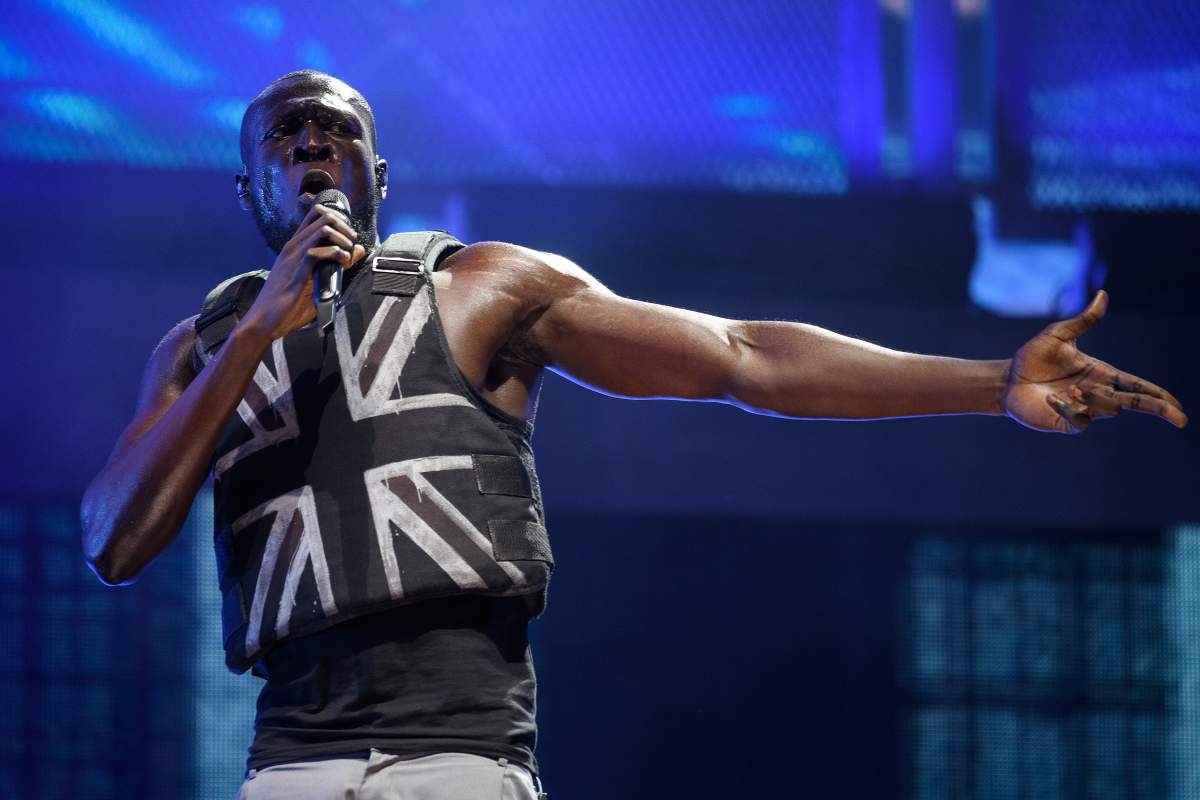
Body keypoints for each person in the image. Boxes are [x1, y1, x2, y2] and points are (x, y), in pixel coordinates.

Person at [79, 70, 1187, 800]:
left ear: (381, 174)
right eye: (288, 134)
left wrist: (990, 378)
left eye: (341, 133)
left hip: (460, 751)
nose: (315, 146)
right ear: (250, 183)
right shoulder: (202, 344)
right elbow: (113, 541)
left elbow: (743, 355)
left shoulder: (481, 287)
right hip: (290, 761)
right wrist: (262, 327)